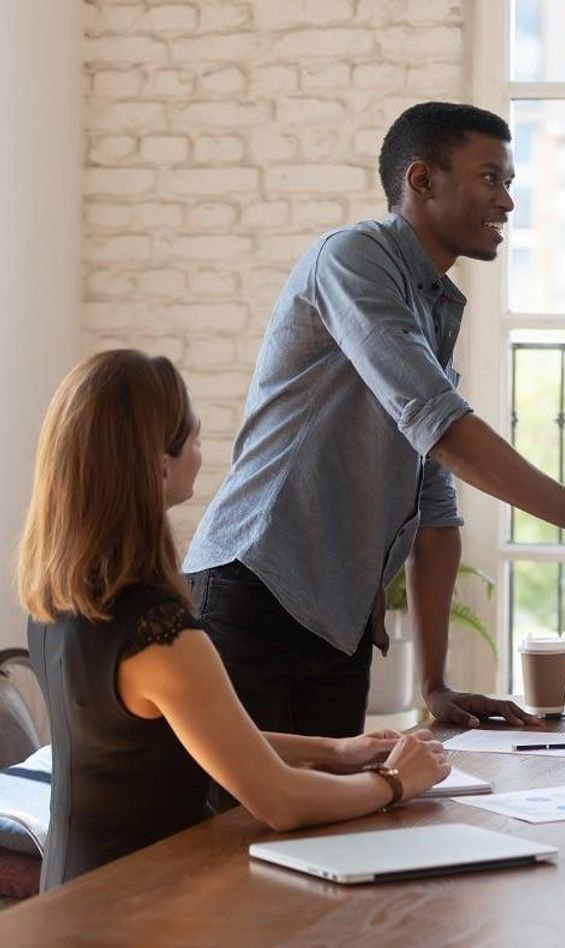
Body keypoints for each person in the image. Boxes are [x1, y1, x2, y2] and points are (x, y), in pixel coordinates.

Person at [182, 102, 565, 747]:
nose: (506, 203)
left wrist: (436, 685)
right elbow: (441, 427)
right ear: (422, 180)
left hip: (337, 624)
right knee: (235, 831)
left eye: (510, 183)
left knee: (318, 832)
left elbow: (435, 509)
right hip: (253, 589)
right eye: (490, 179)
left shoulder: (433, 306)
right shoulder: (353, 258)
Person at [16, 350, 451, 890]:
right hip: (136, 903)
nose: (203, 451)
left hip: (73, 889)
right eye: (194, 440)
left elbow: (182, 737)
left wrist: (336, 751)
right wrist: (394, 782)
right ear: (157, 464)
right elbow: (280, 801)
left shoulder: (61, 598)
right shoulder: (158, 632)